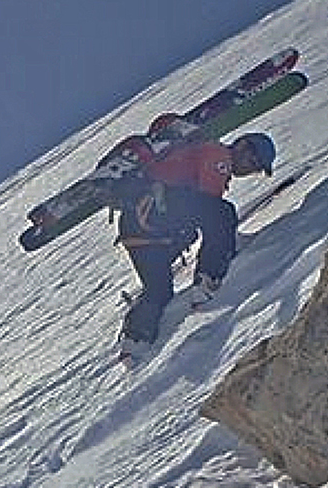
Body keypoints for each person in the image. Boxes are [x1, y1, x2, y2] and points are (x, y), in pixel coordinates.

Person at [114, 129, 277, 360]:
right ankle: (209, 277)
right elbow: (211, 207)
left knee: (159, 290)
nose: (251, 170)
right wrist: (226, 243)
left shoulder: (205, 152)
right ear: (242, 146)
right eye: (253, 162)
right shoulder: (218, 155)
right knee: (222, 211)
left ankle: (134, 341)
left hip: (138, 230)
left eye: (257, 168)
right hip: (155, 213)